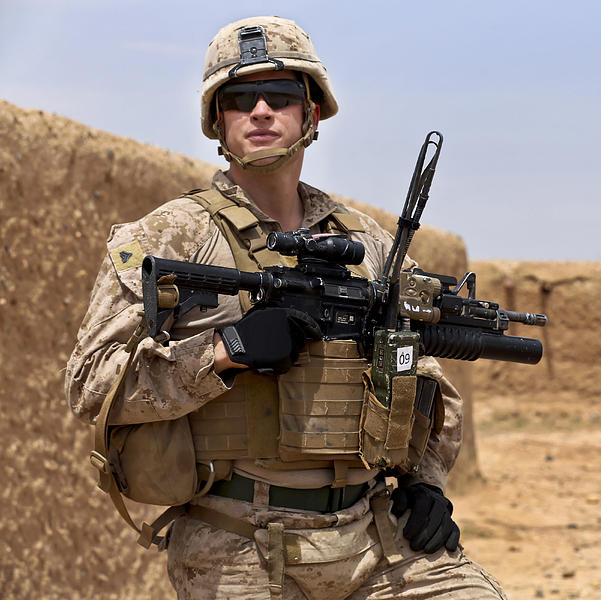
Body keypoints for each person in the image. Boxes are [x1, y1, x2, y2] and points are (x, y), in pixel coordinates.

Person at [66, 16, 507, 599]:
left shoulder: (366, 244)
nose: (261, 111)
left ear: (311, 115)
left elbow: (423, 376)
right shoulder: (169, 238)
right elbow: (89, 387)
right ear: (217, 120)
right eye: (240, 97)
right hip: (237, 544)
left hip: (372, 534)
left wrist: (425, 484)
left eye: (281, 95)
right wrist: (224, 352)